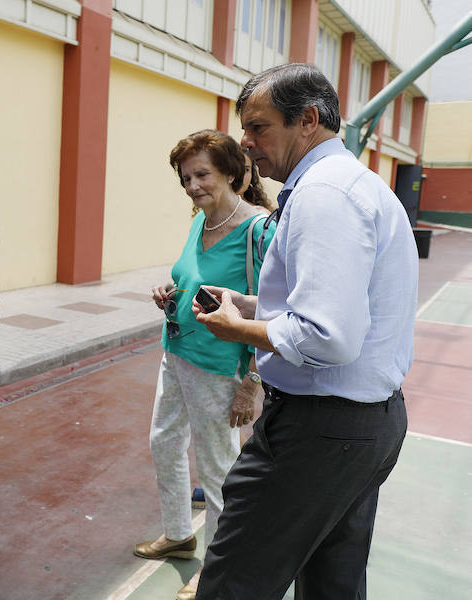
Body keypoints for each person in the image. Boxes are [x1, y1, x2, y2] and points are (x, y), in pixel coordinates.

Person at [192, 63, 416, 599]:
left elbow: (327, 337)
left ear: (308, 120)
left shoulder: (324, 195)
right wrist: (249, 303)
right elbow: (336, 308)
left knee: (231, 584)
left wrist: (239, 329)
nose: (246, 143)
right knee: (332, 582)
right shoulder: (352, 185)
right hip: (359, 427)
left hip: (318, 433)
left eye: (259, 127)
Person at [134, 130, 275, 600]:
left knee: (218, 473)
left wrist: (252, 382)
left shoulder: (258, 229)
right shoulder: (200, 220)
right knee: (164, 443)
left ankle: (215, 568)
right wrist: (168, 293)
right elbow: (191, 279)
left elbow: (274, 309)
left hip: (218, 367)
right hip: (175, 353)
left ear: (232, 174)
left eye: (203, 175)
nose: (193, 185)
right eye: (186, 177)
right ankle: (179, 535)